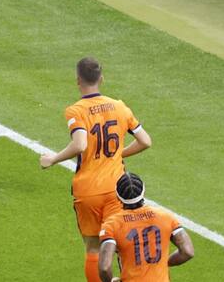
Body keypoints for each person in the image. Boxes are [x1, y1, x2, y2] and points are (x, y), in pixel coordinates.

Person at [39, 57, 152, 282]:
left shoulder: (76, 111)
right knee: (120, 243)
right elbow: (145, 141)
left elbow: (80, 144)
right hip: (117, 190)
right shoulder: (120, 106)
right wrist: (119, 153)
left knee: (93, 248)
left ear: (77, 80)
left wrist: (53, 159)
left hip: (88, 191)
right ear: (102, 78)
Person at [99, 172, 195, 282]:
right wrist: (164, 262)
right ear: (143, 191)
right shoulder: (166, 217)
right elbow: (188, 252)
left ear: (117, 196)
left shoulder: (112, 225)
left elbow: (104, 268)